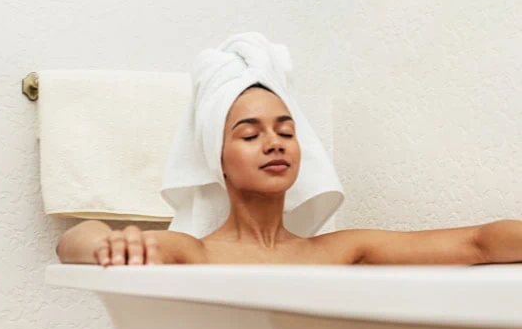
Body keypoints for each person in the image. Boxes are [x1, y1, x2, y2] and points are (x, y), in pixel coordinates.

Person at [56, 83, 522, 267]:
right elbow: (74, 241)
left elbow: (478, 242)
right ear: (217, 159)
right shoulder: (193, 253)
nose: (274, 142)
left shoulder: (342, 250)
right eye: (249, 134)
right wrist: (104, 241)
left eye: (285, 131)